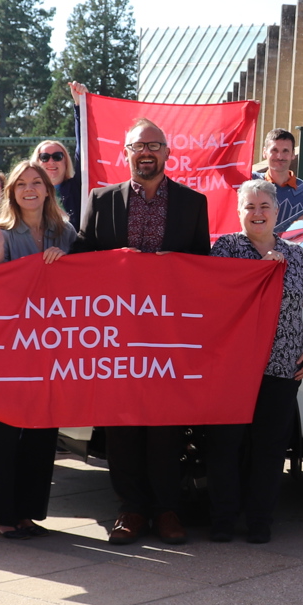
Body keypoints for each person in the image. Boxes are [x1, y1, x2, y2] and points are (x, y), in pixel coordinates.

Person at [72, 118, 211, 546]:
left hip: (168, 337)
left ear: (168, 153)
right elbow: (83, 259)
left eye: (154, 145)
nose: (145, 152)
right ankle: (131, 509)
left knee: (166, 425)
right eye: (137, 145)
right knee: (123, 425)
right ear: (125, 153)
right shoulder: (101, 200)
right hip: (116, 337)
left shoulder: (192, 203)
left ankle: (167, 510)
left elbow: (203, 269)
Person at [206, 180, 303, 543]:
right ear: (240, 213)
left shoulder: (296, 254)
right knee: (225, 445)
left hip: (282, 365)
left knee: (270, 448)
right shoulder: (225, 247)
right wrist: (261, 269)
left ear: (276, 211)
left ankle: (260, 520)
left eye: (264, 207)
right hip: (233, 367)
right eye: (250, 207)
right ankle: (223, 519)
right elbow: (215, 295)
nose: (257, 213)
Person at [0, 160, 76, 538]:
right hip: (10, 346)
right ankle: (2, 514)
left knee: (42, 431)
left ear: (48, 190)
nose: (30, 189)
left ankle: (28, 513)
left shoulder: (65, 232)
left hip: (52, 346)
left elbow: (86, 278)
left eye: (38, 182)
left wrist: (69, 263)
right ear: (12, 192)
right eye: (21, 184)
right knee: (3, 432)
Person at [253, 129, 303, 230]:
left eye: (285, 151)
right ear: (264, 152)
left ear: (293, 154)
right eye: (274, 150)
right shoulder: (250, 182)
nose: (280, 156)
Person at [31, 138, 81, 228]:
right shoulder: (28, 192)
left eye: (57, 157)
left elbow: (84, 146)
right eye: (44, 157)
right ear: (36, 163)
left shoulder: (78, 188)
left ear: (65, 161)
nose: (51, 162)